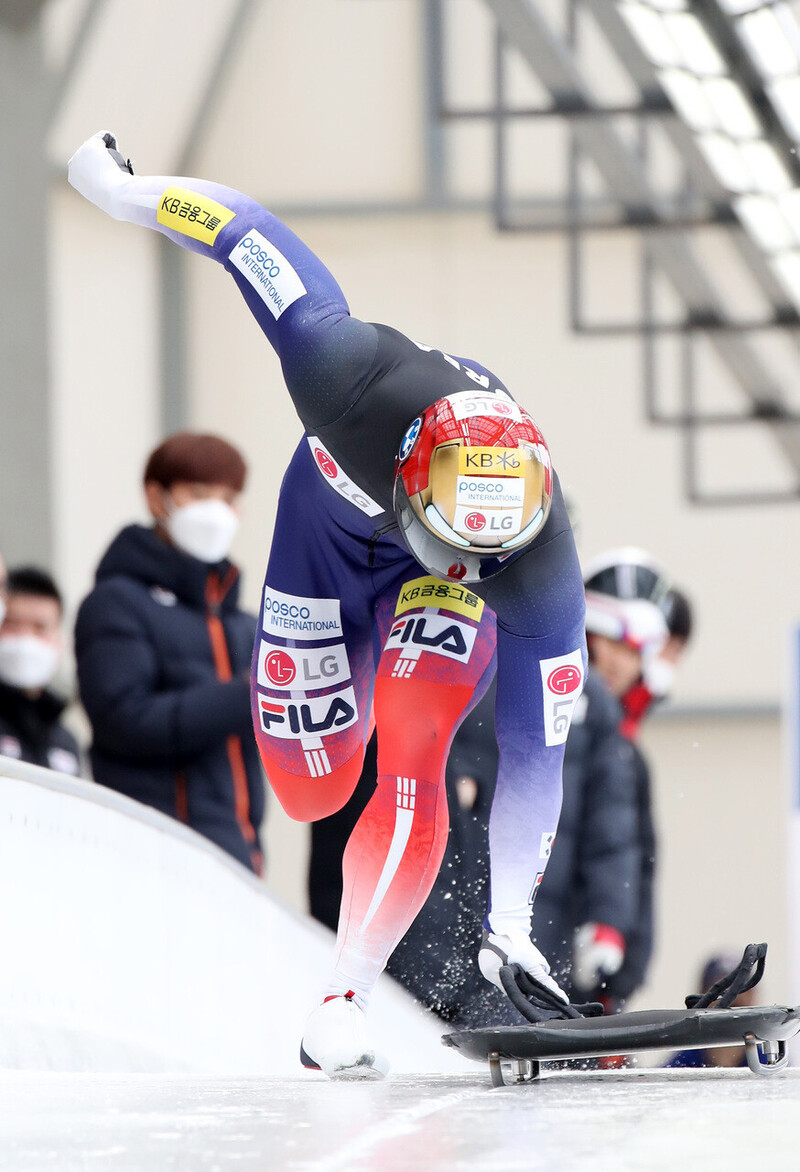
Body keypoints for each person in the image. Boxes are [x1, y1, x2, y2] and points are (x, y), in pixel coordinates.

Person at [68, 131, 588, 1080]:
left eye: (489, 555)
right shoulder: (340, 370)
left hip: (420, 580)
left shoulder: (535, 559)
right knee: (313, 786)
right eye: (455, 542)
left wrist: (512, 925)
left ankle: (339, 1003)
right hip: (322, 557)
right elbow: (240, 230)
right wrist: (118, 191)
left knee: (414, 738)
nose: (476, 566)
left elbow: (535, 751)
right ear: (406, 477)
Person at [74, 431, 265, 876]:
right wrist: (253, 695)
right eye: (199, 494)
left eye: (228, 498)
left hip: (239, 858)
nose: (216, 512)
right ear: (157, 497)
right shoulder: (116, 603)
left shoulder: (243, 624)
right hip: (151, 860)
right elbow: (125, 720)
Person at [578, 549, 693, 1012]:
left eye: (637, 650)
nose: (626, 663)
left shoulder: (626, 747)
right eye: (617, 643)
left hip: (599, 973)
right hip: (556, 963)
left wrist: (620, 957)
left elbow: (628, 854)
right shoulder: (567, 730)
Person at [0, 566, 83, 775]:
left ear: (59, 641)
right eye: (11, 624)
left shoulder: (66, 742)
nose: (25, 638)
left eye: (40, 627)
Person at [664, 952, 756, 1068]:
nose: (732, 995)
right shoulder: (680, 1067)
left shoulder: (771, 1065)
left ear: (753, 997)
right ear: (700, 997)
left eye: (742, 987)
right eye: (721, 988)